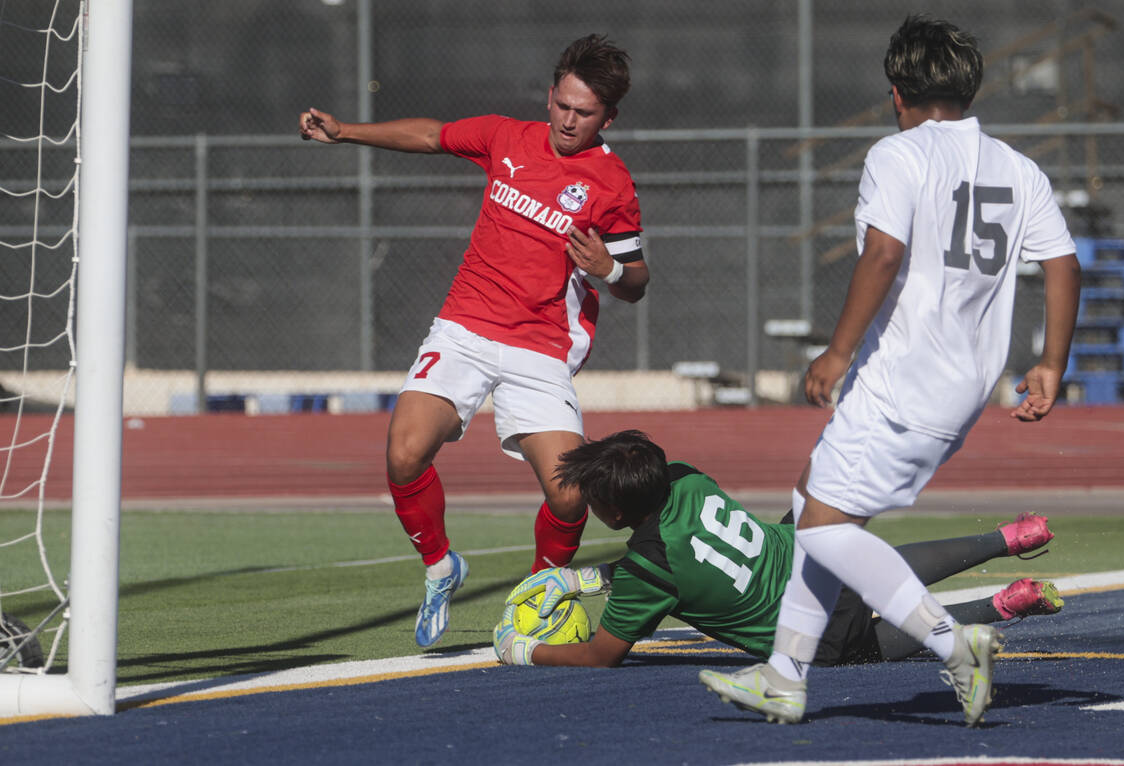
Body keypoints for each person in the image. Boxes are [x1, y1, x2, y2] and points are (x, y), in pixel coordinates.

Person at [697, 15, 1082, 726]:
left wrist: (837, 351)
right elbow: (1062, 263)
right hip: (962, 384)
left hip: (904, 378)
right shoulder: (1017, 167)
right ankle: (784, 675)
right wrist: (1052, 363)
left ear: (897, 93)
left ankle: (950, 642)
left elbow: (881, 254)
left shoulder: (898, 156)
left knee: (817, 528)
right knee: (814, 498)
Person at [298, 34, 649, 648]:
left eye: (584, 113)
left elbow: (637, 281)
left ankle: (540, 593)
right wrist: (344, 131)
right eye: (562, 105)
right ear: (550, 95)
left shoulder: (612, 183)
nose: (568, 120)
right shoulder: (504, 136)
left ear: (608, 117)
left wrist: (610, 269)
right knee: (404, 454)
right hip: (465, 327)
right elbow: (431, 135)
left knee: (571, 497)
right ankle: (441, 567)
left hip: (539, 350)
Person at [492, 430, 1061, 668]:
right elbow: (681, 547)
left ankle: (1004, 604)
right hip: (807, 552)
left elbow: (602, 655)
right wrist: (587, 581)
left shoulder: (648, 567)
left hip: (808, 626)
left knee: (871, 644)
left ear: (614, 512)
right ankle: (1008, 538)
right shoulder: (685, 478)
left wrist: (522, 650)